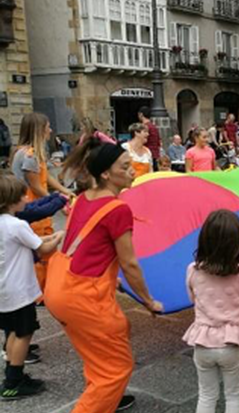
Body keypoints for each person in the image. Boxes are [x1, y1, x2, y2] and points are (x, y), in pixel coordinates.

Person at [45, 140, 163, 413]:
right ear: (107, 174)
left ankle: (105, 400)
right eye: (125, 166)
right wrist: (148, 301)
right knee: (115, 370)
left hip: (60, 288)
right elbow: (130, 263)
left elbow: (85, 247)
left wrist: (112, 279)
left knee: (99, 357)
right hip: (83, 298)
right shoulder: (117, 209)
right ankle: (100, 401)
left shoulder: (84, 197)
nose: (133, 170)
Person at [183, 210, 239, 413]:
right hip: (231, 343)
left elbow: (192, 298)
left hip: (202, 343)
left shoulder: (193, 269)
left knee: (206, 394)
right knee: (234, 396)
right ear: (238, 241)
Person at [0, 174, 64, 400]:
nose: (27, 199)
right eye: (22, 196)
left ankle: (12, 372)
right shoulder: (17, 225)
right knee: (23, 333)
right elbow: (42, 249)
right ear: (11, 201)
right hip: (19, 292)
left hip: (4, 293)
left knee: (12, 333)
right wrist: (57, 237)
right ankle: (13, 382)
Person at [11, 113, 74, 291]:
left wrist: (63, 191)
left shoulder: (27, 152)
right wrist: (57, 203)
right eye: (48, 126)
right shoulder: (30, 155)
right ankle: (41, 291)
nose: (51, 130)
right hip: (34, 208)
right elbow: (37, 186)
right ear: (39, 130)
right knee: (41, 249)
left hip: (34, 206)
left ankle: (45, 288)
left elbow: (45, 178)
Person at [138, 106, 161, 171]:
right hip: (155, 154)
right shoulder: (154, 127)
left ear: (141, 114)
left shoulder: (144, 127)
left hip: (146, 155)